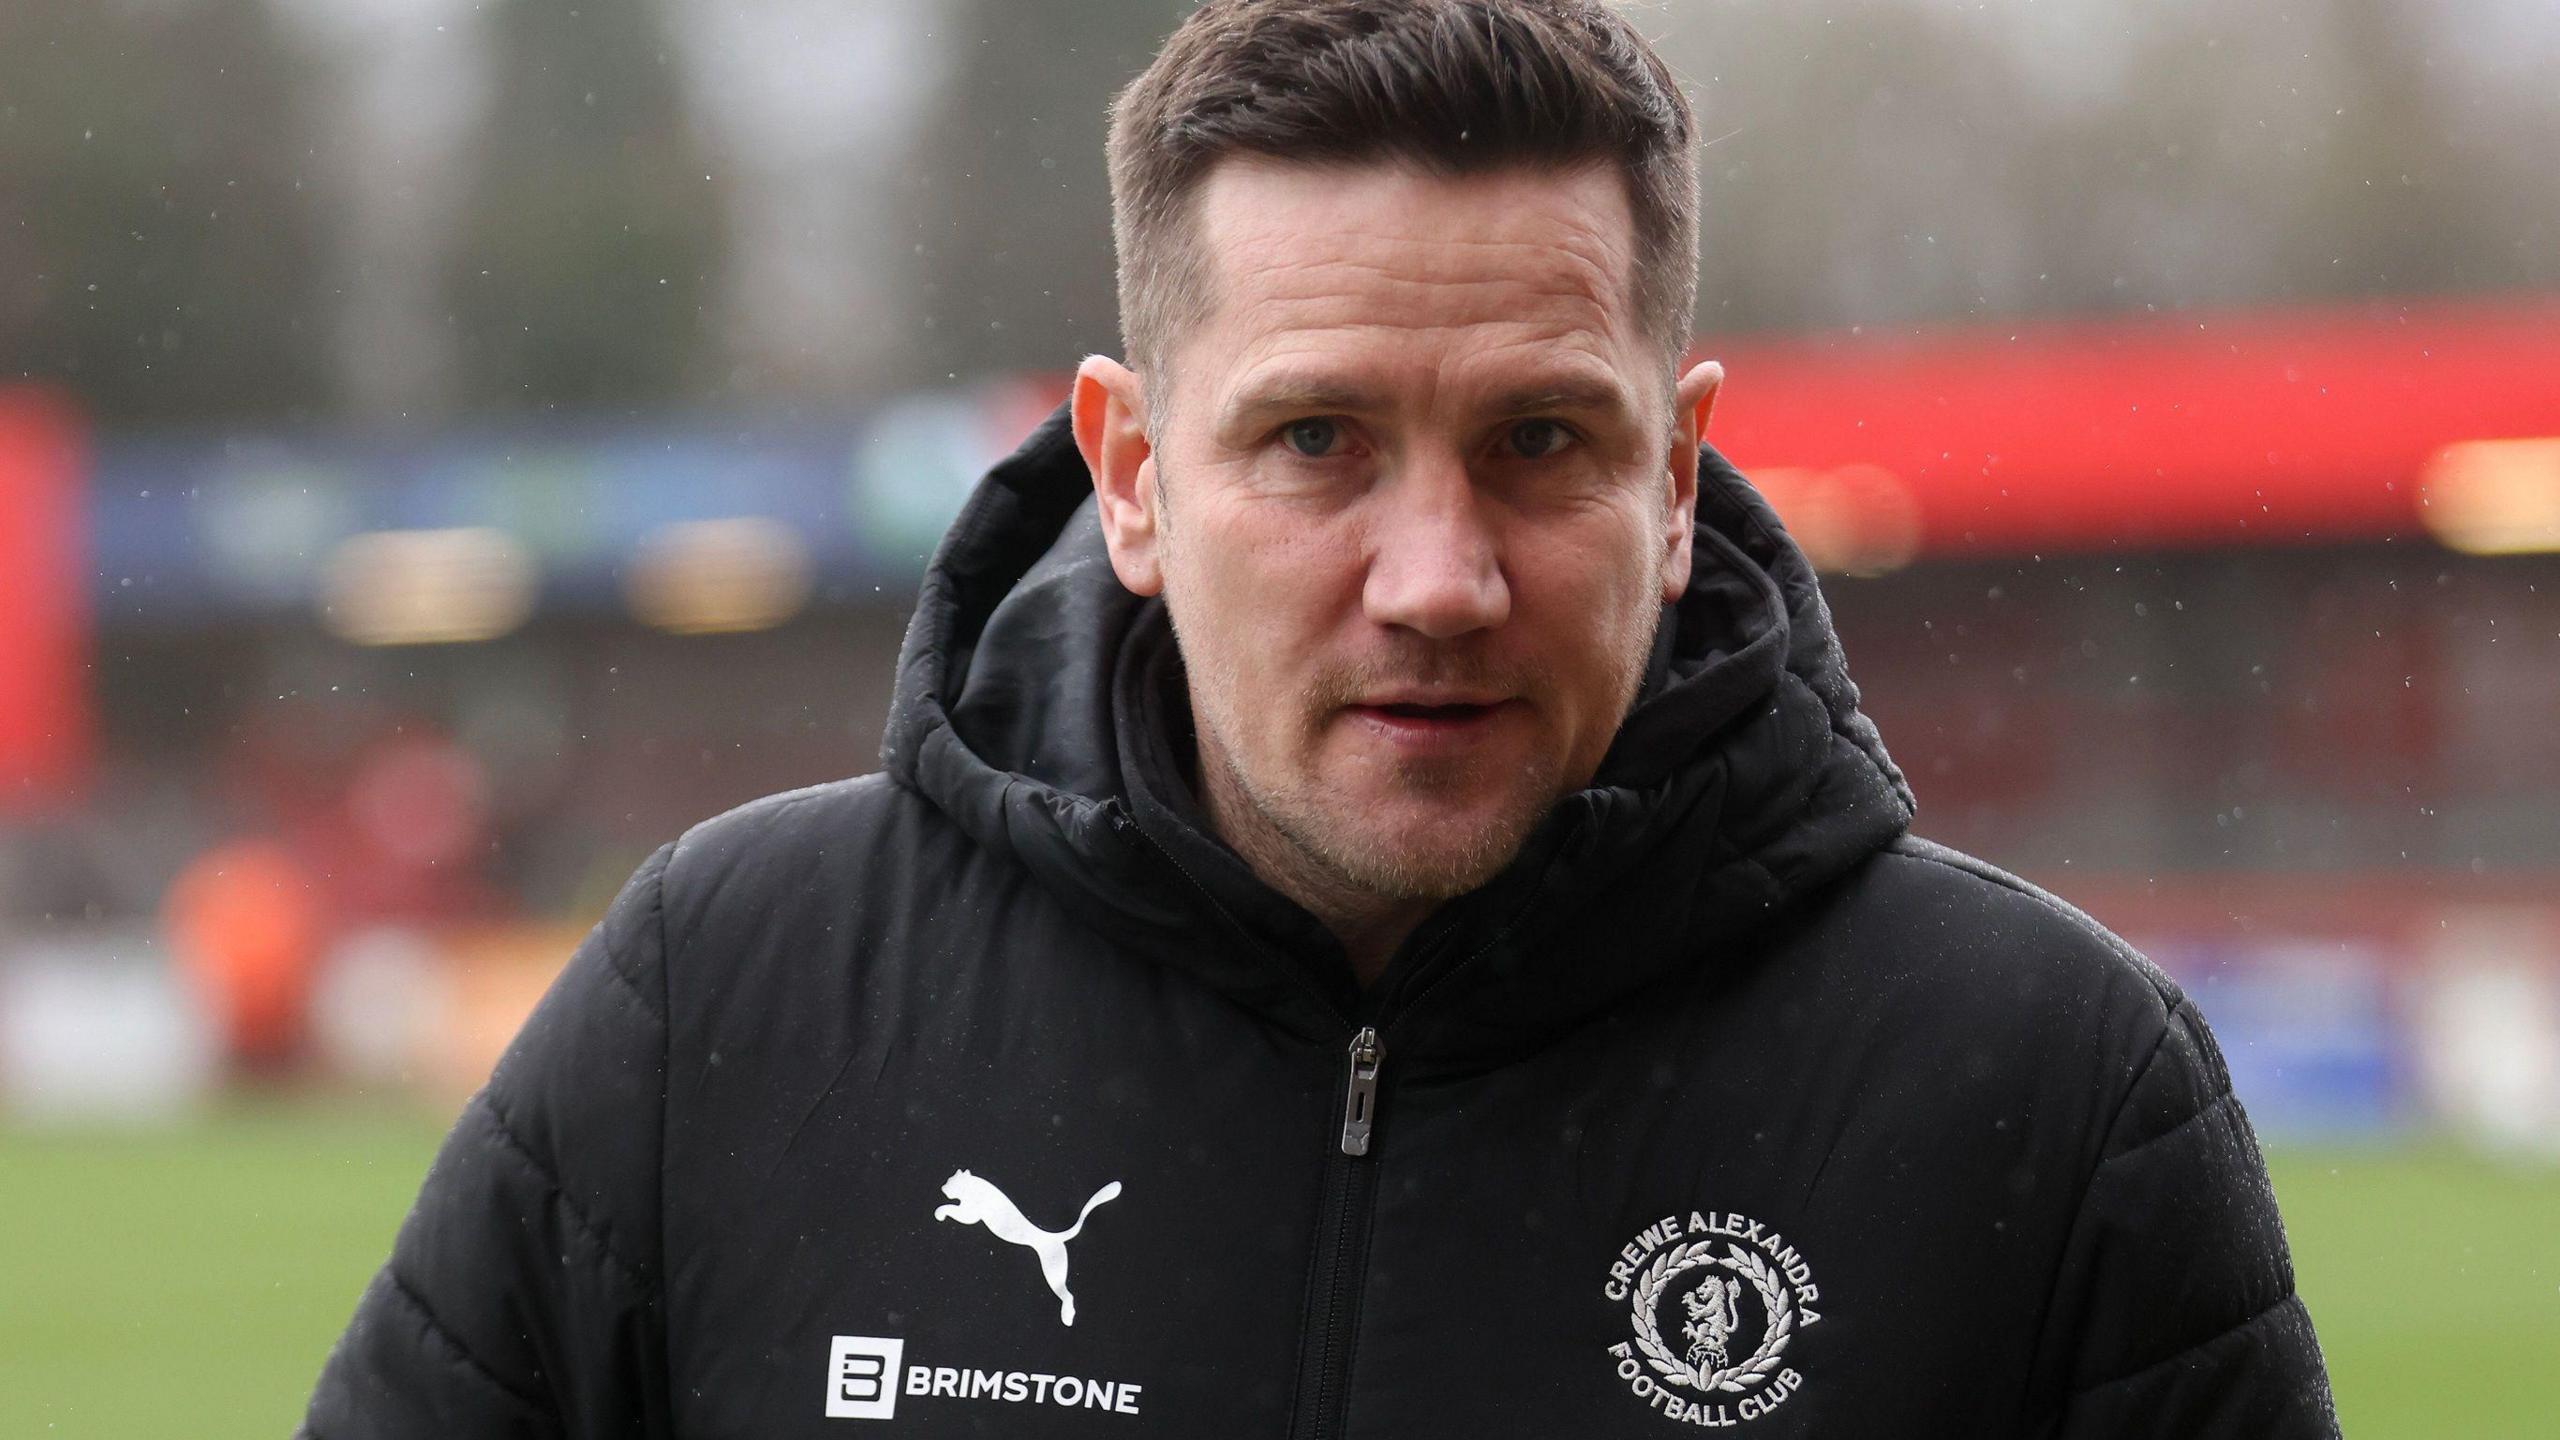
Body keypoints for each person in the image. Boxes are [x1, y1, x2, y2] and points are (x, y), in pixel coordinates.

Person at [304, 2, 2339, 1435]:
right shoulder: (726, 998)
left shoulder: (2044, 1092)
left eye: (1540, 438)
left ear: (1676, 480)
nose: (1435, 577)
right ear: (1128, 474)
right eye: (1313, 439)